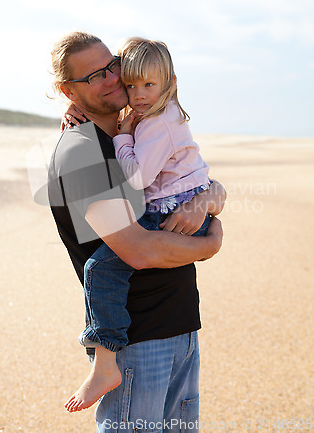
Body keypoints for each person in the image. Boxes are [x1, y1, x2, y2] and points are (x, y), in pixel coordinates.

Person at [48, 31, 225, 432]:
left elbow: (186, 182)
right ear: (67, 90)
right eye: (95, 76)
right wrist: (209, 244)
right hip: (136, 343)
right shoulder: (81, 152)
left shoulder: (141, 130)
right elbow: (138, 250)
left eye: (112, 65)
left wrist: (210, 197)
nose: (112, 78)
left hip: (180, 328)